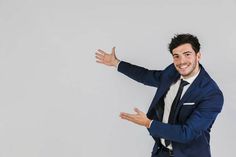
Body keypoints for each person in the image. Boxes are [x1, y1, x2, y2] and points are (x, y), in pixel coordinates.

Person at [95, 33, 223, 157]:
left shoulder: (211, 94)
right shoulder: (172, 72)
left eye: (187, 54)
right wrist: (116, 63)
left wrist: (149, 123)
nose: (181, 61)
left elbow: (186, 133)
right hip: (161, 152)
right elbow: (146, 76)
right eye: (176, 56)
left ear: (198, 55)